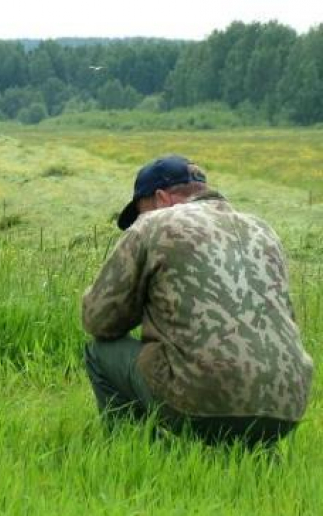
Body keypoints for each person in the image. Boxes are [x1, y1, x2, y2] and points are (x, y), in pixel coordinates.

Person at [82, 155, 313, 447]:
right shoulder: (262, 230)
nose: (141, 219)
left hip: (200, 405)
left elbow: (98, 320)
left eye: (141, 212)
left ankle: (137, 451)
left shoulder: (154, 224)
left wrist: (143, 307)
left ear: (161, 198)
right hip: (288, 406)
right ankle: (255, 454)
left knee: (101, 351)